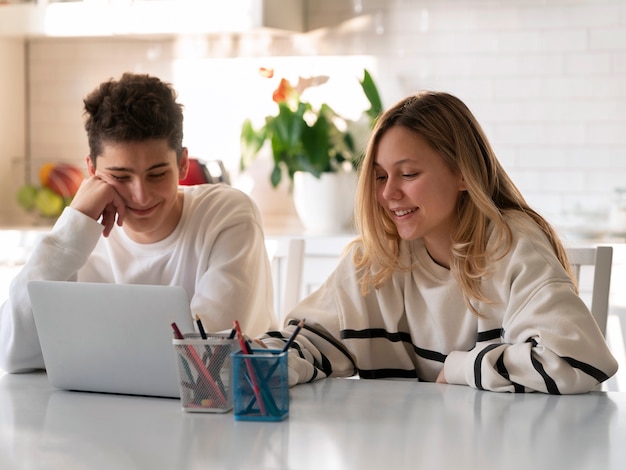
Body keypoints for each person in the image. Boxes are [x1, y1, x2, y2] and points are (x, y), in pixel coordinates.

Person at [260, 91, 618, 394]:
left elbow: (578, 359)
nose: (388, 193)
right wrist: (247, 359)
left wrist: (461, 369)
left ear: (463, 172)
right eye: (381, 176)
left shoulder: (513, 245)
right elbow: (307, 345)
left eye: (409, 174)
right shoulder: (376, 258)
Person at [0, 73, 275, 373]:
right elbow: (12, 352)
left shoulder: (227, 214)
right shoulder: (80, 233)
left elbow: (206, 357)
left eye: (157, 174)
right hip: (99, 410)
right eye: (120, 177)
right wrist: (72, 227)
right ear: (92, 170)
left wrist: (84, 347)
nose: (141, 195)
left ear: (183, 163)